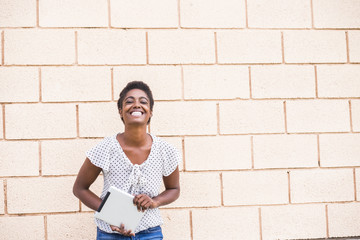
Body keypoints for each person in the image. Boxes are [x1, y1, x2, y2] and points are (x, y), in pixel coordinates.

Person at [73, 81, 181, 240]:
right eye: (129, 101)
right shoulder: (106, 148)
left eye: (143, 102)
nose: (136, 105)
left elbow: (174, 189)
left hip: (150, 233)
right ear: (120, 111)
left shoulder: (165, 150)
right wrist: (111, 213)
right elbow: (80, 188)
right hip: (110, 233)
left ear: (150, 111)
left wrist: (154, 201)